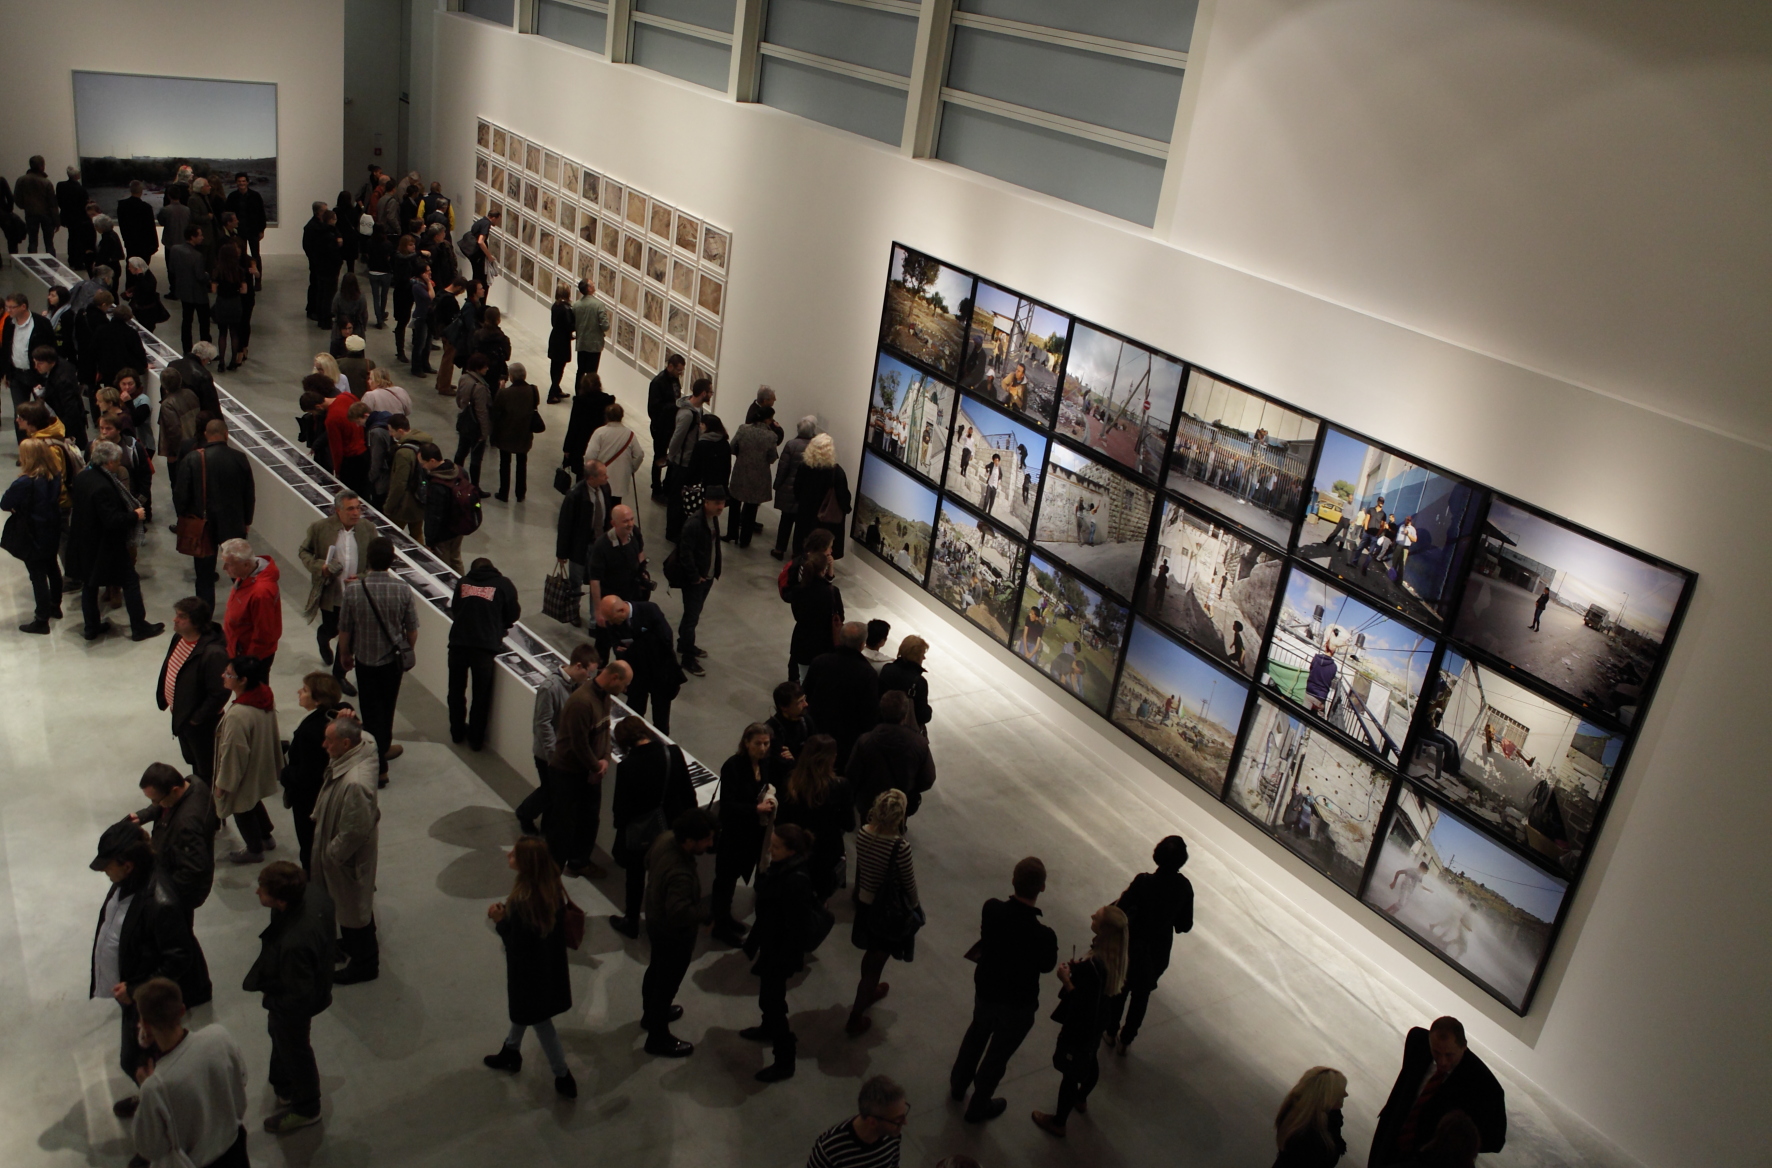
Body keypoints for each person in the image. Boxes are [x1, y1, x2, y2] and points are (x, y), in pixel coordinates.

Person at [89, 821, 212, 1119]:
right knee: (138, 1061)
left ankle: (166, 1122)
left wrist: (135, 990)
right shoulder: (126, 885)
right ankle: (152, 1099)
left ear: (128, 865)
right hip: (133, 993)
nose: (105, 871)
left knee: (147, 1063)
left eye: (108, 865)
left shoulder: (161, 901)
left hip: (151, 999)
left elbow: (179, 957)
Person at [950, 856, 1058, 1122]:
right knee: (997, 1055)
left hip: (987, 990)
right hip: (1017, 1005)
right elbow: (1046, 966)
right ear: (1042, 888)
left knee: (976, 1034)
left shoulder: (992, 909)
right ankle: (978, 1107)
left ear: (1013, 880)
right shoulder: (1044, 935)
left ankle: (958, 1085)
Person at [482, 837, 578, 1098]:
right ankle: (511, 1050)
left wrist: (500, 920)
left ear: (525, 863)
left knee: (538, 1020)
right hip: (547, 966)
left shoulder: (524, 900)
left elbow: (518, 944)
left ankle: (563, 1075)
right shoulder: (549, 888)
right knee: (525, 1012)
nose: (508, 855)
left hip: (528, 972)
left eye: (514, 854)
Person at [245, 861, 335, 1135]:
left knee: (295, 1048)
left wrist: (273, 1003)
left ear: (281, 901)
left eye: (263, 890)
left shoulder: (296, 943)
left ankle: (307, 1108)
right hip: (306, 981)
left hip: (293, 1002)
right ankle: (284, 1085)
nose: (256, 892)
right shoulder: (312, 893)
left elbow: (298, 998)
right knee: (281, 1038)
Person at [127, 977, 250, 1168]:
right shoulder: (219, 1036)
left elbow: (150, 1148)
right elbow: (241, 1079)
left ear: (145, 1025)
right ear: (182, 1010)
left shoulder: (155, 1086)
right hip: (235, 1148)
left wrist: (145, 1089)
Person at [1031, 904, 1128, 1137]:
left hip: (1082, 1027)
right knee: (1089, 1058)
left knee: (1070, 1074)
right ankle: (1081, 1098)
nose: (1092, 914)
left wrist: (1066, 979)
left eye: (1098, 916)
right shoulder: (1115, 959)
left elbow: (1081, 1006)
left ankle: (1058, 1122)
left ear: (1103, 930)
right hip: (1099, 1021)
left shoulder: (1093, 966)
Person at [336, 537, 420, 782]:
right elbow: (412, 630)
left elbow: (345, 629)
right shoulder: (403, 589)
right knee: (387, 706)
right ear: (392, 561)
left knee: (370, 710)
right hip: (392, 662)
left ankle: (377, 756)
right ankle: (381, 759)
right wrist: (405, 652)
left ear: (368, 560)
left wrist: (344, 654)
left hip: (365, 660)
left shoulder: (354, 590)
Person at [1369, 1017, 1506, 1165]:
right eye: (1436, 1052)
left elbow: (1495, 1141)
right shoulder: (1418, 1042)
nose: (1442, 1061)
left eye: (1449, 1055)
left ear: (1464, 1046)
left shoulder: (1485, 1086)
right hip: (1390, 1140)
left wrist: (1449, 1145)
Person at [742, 823, 820, 1083]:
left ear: (791, 851)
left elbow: (799, 928)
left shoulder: (796, 881)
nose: (770, 850)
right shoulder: (784, 868)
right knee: (768, 997)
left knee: (773, 1003)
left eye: (775, 847)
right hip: (772, 946)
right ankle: (767, 1027)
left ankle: (785, 1059)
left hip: (780, 953)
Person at [1103, 834, 1194, 1053]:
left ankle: (1110, 1031)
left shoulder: (1143, 881)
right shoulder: (1184, 888)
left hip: (1132, 944)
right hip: (1158, 952)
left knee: (1121, 988)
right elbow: (1184, 925)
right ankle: (1126, 1040)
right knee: (1141, 996)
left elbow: (1121, 908)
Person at [608, 715, 695, 938]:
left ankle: (631, 920)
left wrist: (621, 828)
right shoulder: (672, 753)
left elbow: (621, 807)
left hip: (642, 832)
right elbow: (688, 791)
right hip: (672, 826)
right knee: (667, 875)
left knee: (635, 877)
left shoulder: (627, 766)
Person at [69, 441, 165, 642]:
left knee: (90, 585)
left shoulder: (83, 477)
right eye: (118, 461)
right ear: (110, 462)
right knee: (130, 581)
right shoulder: (103, 486)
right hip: (105, 545)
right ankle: (139, 627)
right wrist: (134, 515)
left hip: (84, 542)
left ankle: (91, 627)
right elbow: (112, 520)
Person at [313, 715, 383, 984]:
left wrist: (332, 855)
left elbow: (353, 831)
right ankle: (358, 949)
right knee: (356, 904)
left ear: (345, 743)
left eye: (329, 741)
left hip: (348, 860)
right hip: (349, 857)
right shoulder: (366, 744)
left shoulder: (354, 784)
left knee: (352, 908)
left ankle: (365, 965)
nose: (324, 745)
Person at [641, 808, 716, 1057]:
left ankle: (649, 1016)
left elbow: (647, 860)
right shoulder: (681, 874)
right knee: (666, 984)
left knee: (656, 970)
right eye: (706, 839)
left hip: (653, 916)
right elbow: (680, 912)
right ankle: (657, 1038)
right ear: (689, 841)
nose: (710, 843)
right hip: (673, 933)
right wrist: (705, 913)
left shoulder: (665, 838)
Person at [546, 660, 630, 877]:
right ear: (614, 678)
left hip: (590, 770)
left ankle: (578, 862)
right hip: (568, 772)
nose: (625, 690)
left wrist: (604, 758)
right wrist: (596, 766)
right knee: (563, 826)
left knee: (589, 820)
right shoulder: (582, 702)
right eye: (625, 684)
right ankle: (551, 873)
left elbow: (604, 730)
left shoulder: (604, 697)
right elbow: (578, 743)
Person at [846, 789, 919, 1036]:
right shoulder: (900, 847)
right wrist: (916, 905)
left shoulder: (863, 833)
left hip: (865, 903)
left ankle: (870, 989)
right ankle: (856, 1015)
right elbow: (909, 884)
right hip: (887, 911)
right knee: (878, 960)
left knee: (871, 955)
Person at [299, 490, 378, 697]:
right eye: (350, 508)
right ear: (338, 511)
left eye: (358, 508)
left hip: (356, 595)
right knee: (332, 628)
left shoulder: (368, 530)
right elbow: (304, 552)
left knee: (350, 637)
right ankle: (323, 637)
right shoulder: (320, 528)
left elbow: (374, 562)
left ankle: (339, 675)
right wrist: (320, 567)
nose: (356, 513)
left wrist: (362, 576)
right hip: (332, 593)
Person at [176, 422, 256, 610]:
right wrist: (247, 521)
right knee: (239, 572)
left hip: (203, 526)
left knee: (204, 576)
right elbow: (249, 494)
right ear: (226, 434)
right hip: (233, 524)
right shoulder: (239, 458)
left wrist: (186, 517)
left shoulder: (192, 459)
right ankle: (244, 610)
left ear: (205, 434)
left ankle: (204, 618)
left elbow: (180, 495)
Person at [212, 655, 281, 864]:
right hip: (259, 762)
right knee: (253, 799)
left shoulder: (238, 715)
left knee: (240, 806)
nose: (223, 676)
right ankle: (266, 836)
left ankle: (254, 848)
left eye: (229, 674)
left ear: (242, 680)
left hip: (244, 770)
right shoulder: (263, 695)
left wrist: (223, 785)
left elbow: (234, 753)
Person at [712, 723, 777, 945]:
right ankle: (719, 925)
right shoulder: (733, 766)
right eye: (757, 743)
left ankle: (724, 918)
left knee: (733, 878)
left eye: (766, 743)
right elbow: (728, 805)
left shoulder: (765, 763)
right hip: (733, 834)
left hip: (751, 834)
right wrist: (755, 809)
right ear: (746, 742)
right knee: (725, 881)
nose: (762, 748)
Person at [448, 556, 520, 750]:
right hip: (484, 647)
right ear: (493, 569)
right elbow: (513, 613)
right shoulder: (503, 584)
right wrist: (500, 625)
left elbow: (454, 608)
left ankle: (456, 733)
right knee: (481, 696)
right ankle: (476, 740)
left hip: (458, 644)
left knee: (455, 691)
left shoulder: (463, 582)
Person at [156, 597, 232, 781]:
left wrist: (196, 719)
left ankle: (207, 803)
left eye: (181, 616)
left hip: (201, 724)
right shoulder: (179, 638)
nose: (175, 620)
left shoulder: (213, 653)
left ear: (196, 622)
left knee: (207, 768)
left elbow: (220, 692)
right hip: (182, 716)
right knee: (193, 760)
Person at [132, 763, 219, 919]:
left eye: (156, 800)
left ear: (174, 790)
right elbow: (163, 805)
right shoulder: (194, 784)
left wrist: (162, 896)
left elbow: (193, 870)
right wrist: (144, 815)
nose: (155, 804)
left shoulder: (186, 825)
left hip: (179, 896)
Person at [773, 734, 853, 904]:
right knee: (818, 900)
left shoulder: (790, 781)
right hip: (826, 852)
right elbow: (849, 823)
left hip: (795, 849)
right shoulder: (840, 786)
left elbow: (780, 819)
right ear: (831, 758)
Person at [2, 437, 65, 632]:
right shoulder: (55, 475)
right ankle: (55, 606)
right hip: (52, 527)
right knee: (52, 567)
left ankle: (41, 619)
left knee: (37, 575)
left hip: (32, 532)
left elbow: (5, 503)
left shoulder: (23, 482)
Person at [283, 674, 344, 872]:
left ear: (318, 699)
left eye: (305, 690)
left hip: (309, 801)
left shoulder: (312, 732)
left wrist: (284, 774)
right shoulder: (329, 717)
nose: (299, 692)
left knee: (309, 847)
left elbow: (305, 775)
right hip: (321, 795)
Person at [847, 691, 938, 821]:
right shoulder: (919, 743)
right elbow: (928, 778)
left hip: (869, 802)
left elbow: (852, 773)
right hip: (900, 803)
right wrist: (911, 789)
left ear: (881, 711)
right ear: (905, 715)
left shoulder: (865, 741)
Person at [803, 621, 879, 773]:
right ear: (862, 644)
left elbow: (805, 695)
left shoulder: (820, 662)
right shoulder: (867, 673)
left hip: (816, 732)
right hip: (846, 741)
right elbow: (869, 713)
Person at [605, 593, 684, 733]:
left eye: (612, 620)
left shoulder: (650, 610)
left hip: (660, 674)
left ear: (622, 611)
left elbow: (665, 641)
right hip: (635, 675)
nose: (610, 623)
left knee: (661, 719)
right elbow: (617, 648)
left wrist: (633, 649)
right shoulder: (611, 621)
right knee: (633, 713)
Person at [806, 1074, 909, 1168]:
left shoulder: (891, 1136)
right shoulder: (829, 1149)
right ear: (872, 1122)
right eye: (897, 1119)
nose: (905, 1122)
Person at [675, 486, 726, 674]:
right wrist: (695, 576)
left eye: (722, 503)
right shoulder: (694, 524)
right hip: (696, 580)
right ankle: (687, 659)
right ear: (706, 502)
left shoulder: (713, 519)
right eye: (717, 503)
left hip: (708, 577)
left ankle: (683, 644)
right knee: (691, 618)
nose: (721, 507)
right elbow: (685, 553)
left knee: (692, 616)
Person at [662, 379, 711, 539]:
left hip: (690, 463)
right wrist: (671, 458)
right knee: (677, 499)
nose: (711, 394)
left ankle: (680, 531)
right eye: (710, 392)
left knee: (685, 499)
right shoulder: (687, 414)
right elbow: (677, 439)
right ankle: (672, 532)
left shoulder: (698, 411)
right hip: (682, 464)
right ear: (703, 393)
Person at [1274, 1066, 1350, 1168]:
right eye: (1341, 1090)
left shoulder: (1303, 1119)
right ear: (1327, 1095)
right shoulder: (1311, 1134)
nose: (1346, 1094)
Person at [787, 547, 843, 682]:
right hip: (824, 641)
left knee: (803, 677)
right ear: (824, 570)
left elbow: (797, 615)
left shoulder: (797, 590)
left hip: (802, 639)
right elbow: (840, 616)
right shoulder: (832, 592)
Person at [489, 360, 539, 502]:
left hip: (506, 433)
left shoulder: (505, 394)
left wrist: (500, 389)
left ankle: (504, 492)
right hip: (524, 434)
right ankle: (520, 493)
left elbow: (495, 412)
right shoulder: (533, 390)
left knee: (505, 464)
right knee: (522, 463)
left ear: (511, 376)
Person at [729, 406, 780, 546]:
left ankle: (731, 533)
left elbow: (732, 446)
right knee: (751, 509)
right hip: (759, 476)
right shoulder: (771, 436)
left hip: (740, 471)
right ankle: (745, 540)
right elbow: (772, 457)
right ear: (768, 419)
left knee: (735, 503)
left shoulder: (743, 429)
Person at [795, 432, 851, 557]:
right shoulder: (836, 472)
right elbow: (844, 499)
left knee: (805, 548)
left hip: (805, 514)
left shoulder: (804, 467)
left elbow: (797, 490)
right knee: (821, 550)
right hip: (825, 520)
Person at [771, 416, 818, 560]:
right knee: (801, 525)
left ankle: (779, 549)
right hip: (806, 491)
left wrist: (777, 485)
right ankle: (797, 552)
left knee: (785, 520)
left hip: (788, 488)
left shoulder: (791, 445)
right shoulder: (815, 448)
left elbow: (783, 467)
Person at [418, 444, 471, 572]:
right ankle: (461, 587)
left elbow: (434, 516)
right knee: (456, 558)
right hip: (459, 525)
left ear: (432, 461)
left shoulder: (437, 485)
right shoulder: (459, 470)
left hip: (443, 533)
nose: (423, 467)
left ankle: (449, 589)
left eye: (423, 463)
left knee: (443, 566)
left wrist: (430, 541)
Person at [585, 401, 646, 506]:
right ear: (621, 416)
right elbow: (639, 455)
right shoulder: (629, 434)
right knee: (615, 507)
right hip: (620, 480)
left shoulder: (600, 432)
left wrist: (590, 472)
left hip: (600, 478)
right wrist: (631, 469)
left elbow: (590, 455)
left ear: (606, 416)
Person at [383, 415, 433, 543]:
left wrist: (389, 507)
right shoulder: (425, 443)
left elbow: (399, 483)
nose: (390, 434)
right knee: (417, 534)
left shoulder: (403, 453)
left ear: (400, 431)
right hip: (421, 499)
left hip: (404, 505)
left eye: (391, 431)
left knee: (391, 536)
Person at [562, 369, 614, 483]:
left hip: (581, 442)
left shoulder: (580, 402)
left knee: (581, 476)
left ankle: (581, 498)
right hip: (601, 442)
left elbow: (573, 425)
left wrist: (567, 448)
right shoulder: (607, 400)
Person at [166, 225, 211, 354]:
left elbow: (172, 269)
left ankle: (186, 349)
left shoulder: (175, 249)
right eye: (200, 235)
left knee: (186, 322)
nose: (202, 237)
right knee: (204, 323)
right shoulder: (197, 256)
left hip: (183, 292)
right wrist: (207, 275)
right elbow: (200, 276)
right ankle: (206, 351)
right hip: (198, 294)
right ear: (193, 237)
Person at [454, 352, 495, 488]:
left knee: (461, 452)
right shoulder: (480, 387)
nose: (487, 369)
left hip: (464, 421)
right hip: (476, 426)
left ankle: (456, 479)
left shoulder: (464, 378)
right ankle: (474, 486)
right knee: (476, 458)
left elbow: (459, 399)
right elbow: (481, 412)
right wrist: (485, 432)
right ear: (478, 368)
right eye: (485, 367)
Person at [646, 352, 684, 495]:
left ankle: (666, 485)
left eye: (681, 371)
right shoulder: (658, 383)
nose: (680, 373)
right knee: (659, 457)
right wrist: (675, 405)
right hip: (661, 427)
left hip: (672, 425)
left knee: (671, 456)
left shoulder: (674, 380)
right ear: (670, 366)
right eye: (678, 370)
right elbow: (653, 408)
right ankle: (656, 488)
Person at [877, 636, 933, 732]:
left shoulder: (887, 669)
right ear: (916, 657)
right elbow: (923, 715)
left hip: (882, 724)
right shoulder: (919, 682)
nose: (924, 657)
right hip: (905, 732)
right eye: (922, 654)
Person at [766, 680, 818, 780]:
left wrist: (795, 757)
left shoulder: (806, 720)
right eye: (800, 702)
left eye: (805, 699)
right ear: (784, 707)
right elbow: (781, 766)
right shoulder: (772, 730)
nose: (806, 704)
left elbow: (817, 751)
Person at [303, 203, 343, 328]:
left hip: (320, 264)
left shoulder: (323, 228)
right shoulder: (313, 228)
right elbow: (309, 246)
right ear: (318, 212)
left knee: (321, 289)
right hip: (321, 264)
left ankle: (320, 312)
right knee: (319, 289)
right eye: (324, 211)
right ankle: (315, 311)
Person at [571, 278, 611, 390]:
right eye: (592, 283)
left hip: (581, 343)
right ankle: (590, 394)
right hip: (594, 345)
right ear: (589, 288)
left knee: (580, 370)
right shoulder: (598, 305)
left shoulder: (576, 305)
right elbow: (605, 326)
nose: (594, 284)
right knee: (592, 373)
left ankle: (579, 393)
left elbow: (573, 323)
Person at [225, 172, 268, 269]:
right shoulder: (232, 197)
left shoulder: (255, 196)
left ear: (247, 182)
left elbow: (261, 214)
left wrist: (262, 230)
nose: (241, 183)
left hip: (253, 230)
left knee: (255, 255)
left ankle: (257, 280)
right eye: (239, 181)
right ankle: (244, 279)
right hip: (239, 231)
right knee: (241, 255)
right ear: (236, 182)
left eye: (243, 181)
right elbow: (228, 214)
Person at [15, 158, 56, 253]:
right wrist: (56, 220)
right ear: (41, 166)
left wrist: (25, 206)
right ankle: (51, 265)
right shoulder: (46, 182)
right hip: (46, 214)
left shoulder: (21, 180)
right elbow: (52, 203)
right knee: (49, 243)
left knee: (32, 241)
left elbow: (17, 198)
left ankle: (32, 264)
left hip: (30, 213)